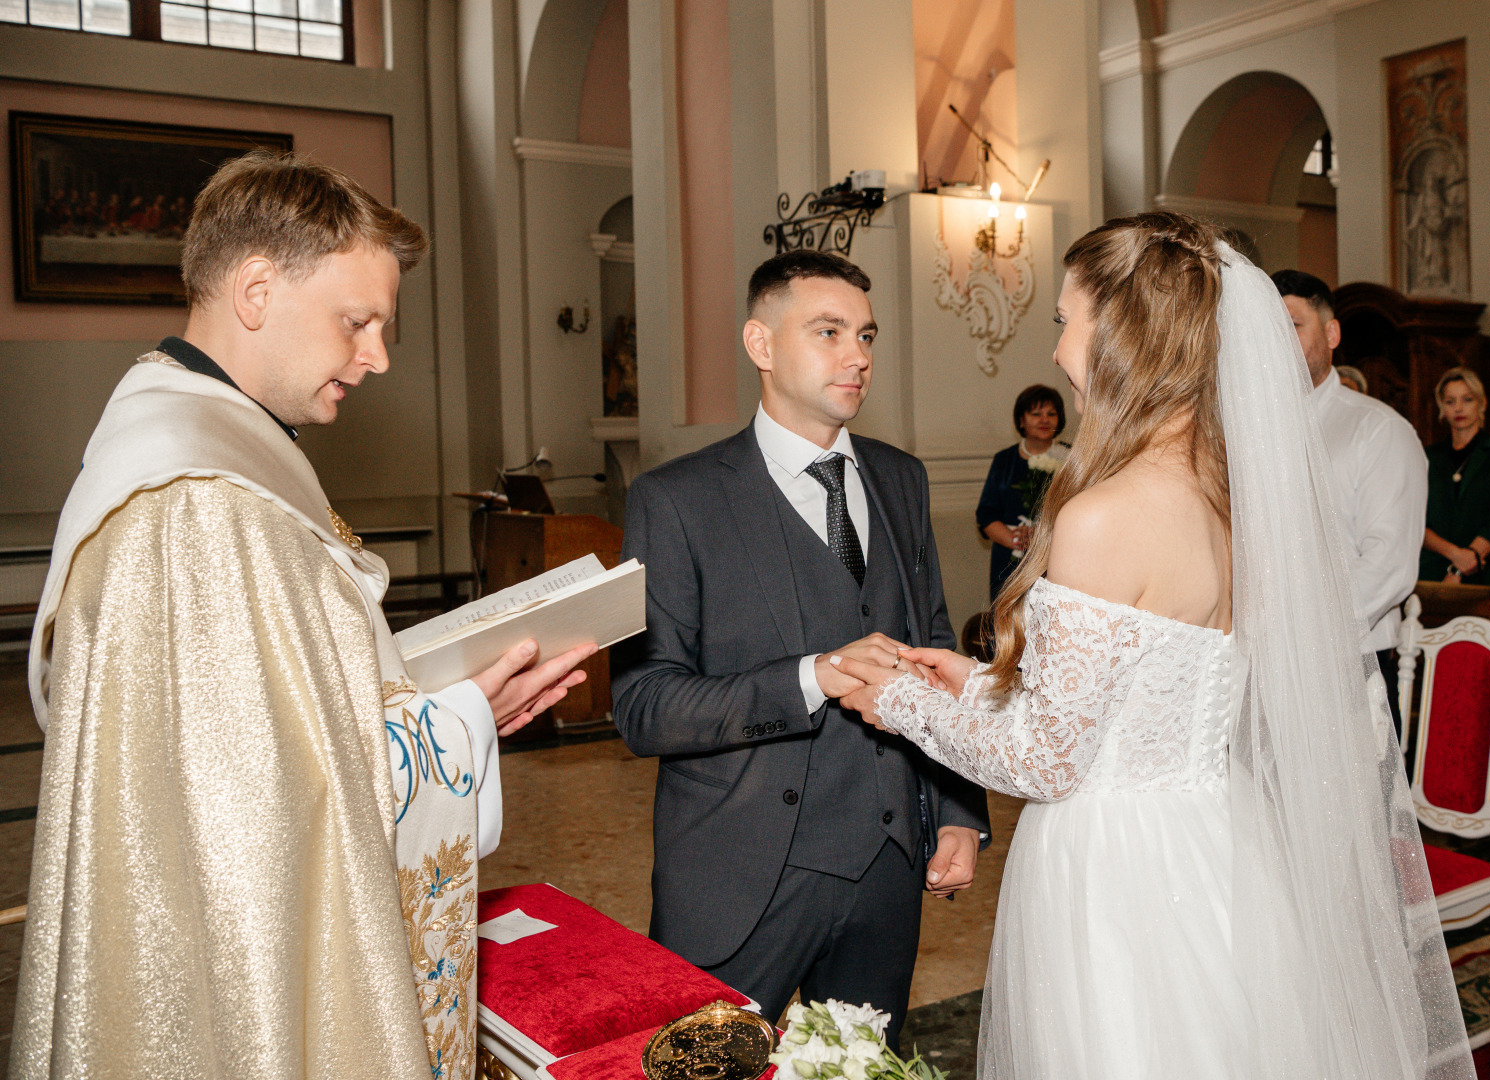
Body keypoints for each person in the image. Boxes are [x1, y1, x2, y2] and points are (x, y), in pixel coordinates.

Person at [827, 212, 1470, 1079]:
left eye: (1065, 319)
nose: (1057, 350)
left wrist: (895, 701)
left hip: (1118, 873)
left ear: (1121, 336)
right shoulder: (1228, 499)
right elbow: (1141, 699)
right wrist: (976, 683)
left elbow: (1051, 761)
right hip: (1216, 843)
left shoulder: (1103, 515)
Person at [16, 151, 594, 1080]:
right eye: (357, 322)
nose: (377, 357)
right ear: (254, 290)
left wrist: (445, 695)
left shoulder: (212, 451)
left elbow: (271, 725)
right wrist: (461, 721)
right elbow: (261, 823)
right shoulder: (198, 504)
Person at [611, 250, 990, 1045]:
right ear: (760, 344)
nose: (858, 356)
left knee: (861, 1067)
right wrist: (812, 677)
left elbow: (929, 647)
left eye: (866, 334)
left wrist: (957, 808)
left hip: (885, 862)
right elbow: (645, 707)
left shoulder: (899, 479)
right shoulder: (675, 501)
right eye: (828, 332)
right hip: (737, 871)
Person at [1273, 269, 1425, 721]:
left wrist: (1303, 635)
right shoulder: (1251, 431)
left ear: (1332, 332)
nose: (1279, 343)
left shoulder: (1378, 430)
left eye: (1294, 326)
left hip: (1350, 663)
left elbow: (1390, 564)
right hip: (1264, 663)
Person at [1420, 367, 1490, 583]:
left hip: (1481, 568)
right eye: (1450, 401)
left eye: (1467, 399)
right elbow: (1417, 519)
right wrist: (1455, 555)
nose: (1458, 408)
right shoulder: (1427, 456)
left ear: (1482, 403)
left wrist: (1459, 568)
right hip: (1430, 567)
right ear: (1441, 408)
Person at [976, 384, 1069, 599]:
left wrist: (1043, 537)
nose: (1044, 420)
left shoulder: (1070, 457)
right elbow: (986, 514)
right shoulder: (1005, 460)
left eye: (1051, 414)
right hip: (1010, 559)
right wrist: (1017, 541)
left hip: (1056, 555)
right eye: (1036, 414)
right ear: (1021, 421)